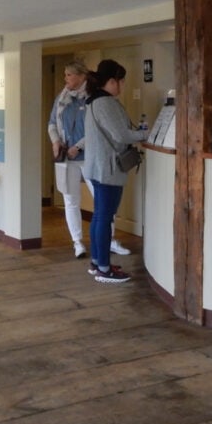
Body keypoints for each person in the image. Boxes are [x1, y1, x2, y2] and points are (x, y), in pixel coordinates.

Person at [47, 61, 133, 259]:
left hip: (90, 157)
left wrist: (79, 146)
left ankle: (109, 240)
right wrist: (55, 141)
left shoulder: (93, 98)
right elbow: (52, 123)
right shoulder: (62, 99)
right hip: (66, 158)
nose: (66, 79)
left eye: (69, 75)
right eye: (65, 75)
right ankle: (77, 242)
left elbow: (96, 129)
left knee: (103, 202)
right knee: (71, 200)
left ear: (81, 76)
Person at [82, 60, 148, 283]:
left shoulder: (93, 101)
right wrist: (145, 134)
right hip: (107, 169)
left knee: (99, 216)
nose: (123, 85)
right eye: (121, 80)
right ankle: (104, 268)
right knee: (104, 217)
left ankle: (96, 262)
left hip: (97, 166)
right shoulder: (106, 103)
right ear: (111, 81)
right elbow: (122, 135)